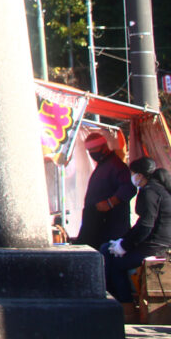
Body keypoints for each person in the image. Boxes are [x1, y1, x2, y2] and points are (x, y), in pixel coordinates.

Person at [103, 157, 171, 318]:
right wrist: (123, 241)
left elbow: (146, 226)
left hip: (155, 246)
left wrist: (125, 246)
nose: (132, 177)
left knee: (115, 264)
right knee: (107, 249)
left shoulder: (149, 192)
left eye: (132, 173)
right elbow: (141, 225)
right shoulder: (159, 189)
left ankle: (126, 309)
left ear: (139, 175)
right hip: (159, 243)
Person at [77, 132, 137, 249]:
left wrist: (110, 203)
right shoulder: (102, 165)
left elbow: (129, 188)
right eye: (89, 151)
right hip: (95, 222)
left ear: (104, 147)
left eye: (94, 149)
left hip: (110, 224)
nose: (92, 153)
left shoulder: (117, 165)